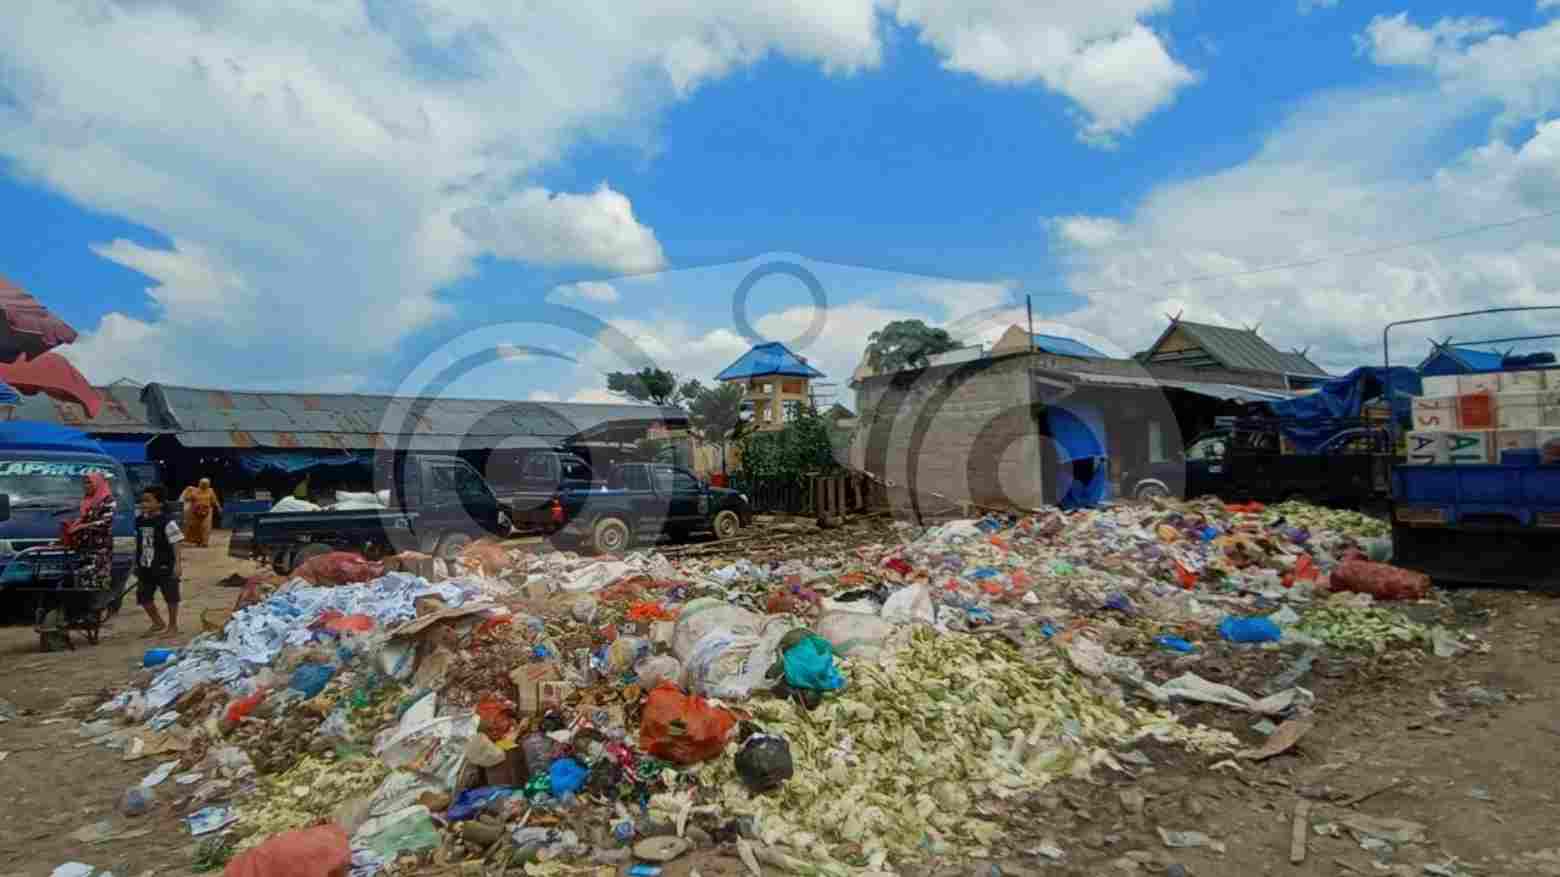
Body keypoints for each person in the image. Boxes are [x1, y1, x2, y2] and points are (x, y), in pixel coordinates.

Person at [135, 485, 184, 638]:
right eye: (142, 501)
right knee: (143, 596)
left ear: (160, 503)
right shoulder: (139, 521)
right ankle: (157, 623)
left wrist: (177, 564)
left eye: (148, 501)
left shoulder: (167, 522)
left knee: (170, 596)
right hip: (145, 565)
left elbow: (176, 542)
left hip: (164, 565)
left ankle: (173, 626)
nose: (144, 504)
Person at [61, 473, 116, 594]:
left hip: (100, 549)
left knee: (97, 582)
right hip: (85, 547)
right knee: (83, 582)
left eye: (89, 482)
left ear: (98, 483)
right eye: (85, 483)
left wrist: (81, 526)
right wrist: (73, 525)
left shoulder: (108, 500)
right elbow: (84, 517)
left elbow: (104, 523)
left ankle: (98, 610)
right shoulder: (87, 499)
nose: (86, 486)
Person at [179, 477, 221, 548]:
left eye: (206, 484)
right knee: (195, 527)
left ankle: (204, 542)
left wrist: (219, 507)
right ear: (200, 483)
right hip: (194, 512)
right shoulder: (193, 490)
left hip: (207, 512)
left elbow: (214, 500)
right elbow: (186, 499)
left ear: (209, 484)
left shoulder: (211, 491)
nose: (205, 485)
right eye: (203, 483)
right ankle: (197, 541)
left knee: (205, 527)